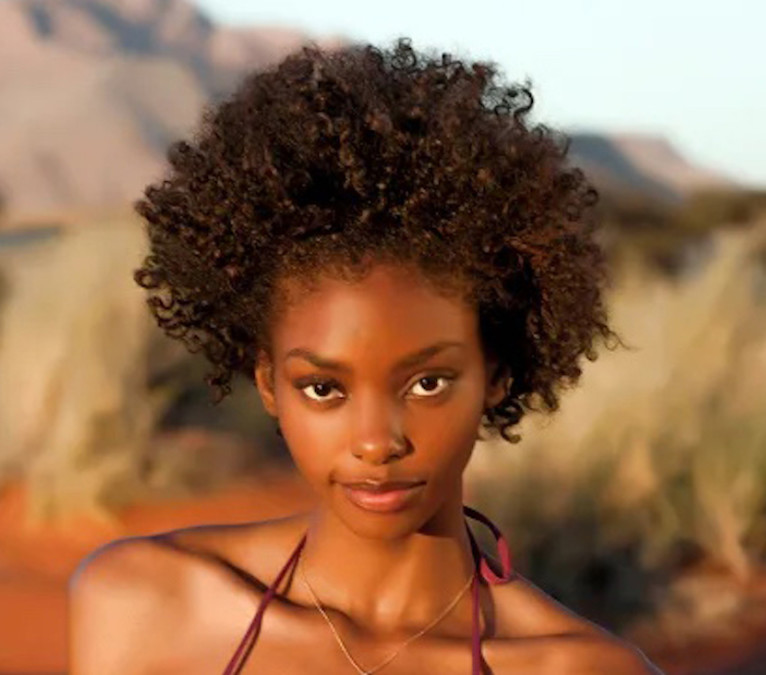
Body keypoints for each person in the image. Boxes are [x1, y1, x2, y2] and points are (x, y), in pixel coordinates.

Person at [69, 37, 662, 674]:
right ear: (268, 384)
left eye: (428, 382)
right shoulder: (141, 605)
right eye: (324, 389)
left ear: (496, 375)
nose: (377, 442)